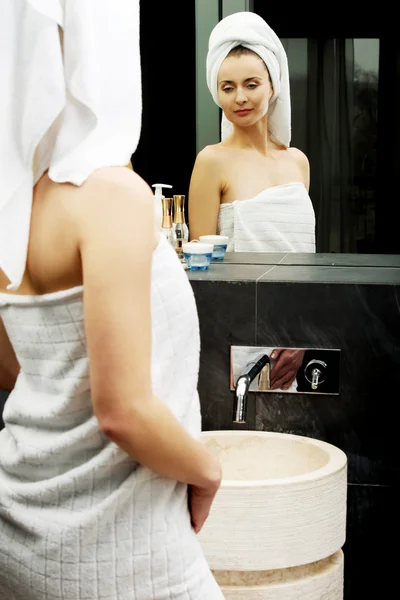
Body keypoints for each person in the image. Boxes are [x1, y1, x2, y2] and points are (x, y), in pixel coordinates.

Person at [0, 2, 224, 599]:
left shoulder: (14, 208)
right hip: (121, 551)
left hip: (23, 536)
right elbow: (122, 409)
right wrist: (207, 470)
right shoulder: (111, 195)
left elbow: (16, 369)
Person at [189, 12, 313, 390]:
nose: (240, 97)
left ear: (273, 85)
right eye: (227, 87)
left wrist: (303, 334)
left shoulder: (298, 162)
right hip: (236, 338)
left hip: (298, 341)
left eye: (251, 84)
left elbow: (306, 261)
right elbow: (200, 271)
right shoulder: (211, 161)